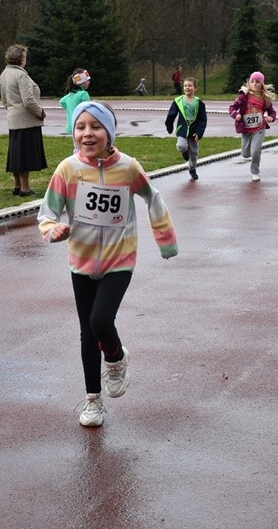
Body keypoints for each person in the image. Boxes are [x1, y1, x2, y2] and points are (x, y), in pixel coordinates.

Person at [37, 101, 178, 427]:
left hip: (119, 259)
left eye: (96, 127)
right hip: (81, 261)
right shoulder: (67, 170)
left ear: (110, 132)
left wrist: (166, 241)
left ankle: (115, 358)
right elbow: (47, 213)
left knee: (100, 320)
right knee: (87, 332)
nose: (87, 133)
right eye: (80, 127)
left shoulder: (128, 168)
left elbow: (153, 198)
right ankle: (93, 401)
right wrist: (52, 230)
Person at [0, 44, 47, 197]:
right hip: (26, 120)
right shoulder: (21, 75)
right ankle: (25, 188)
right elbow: (28, 100)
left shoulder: (4, 74)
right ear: (21, 59)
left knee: (16, 155)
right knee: (25, 156)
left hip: (13, 119)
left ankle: (17, 185)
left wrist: (12, 110)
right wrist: (40, 112)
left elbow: (4, 99)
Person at [228, 72, 277, 182]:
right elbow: (232, 108)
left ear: (262, 84)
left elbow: (272, 112)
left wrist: (271, 118)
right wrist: (236, 115)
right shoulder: (243, 96)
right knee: (245, 154)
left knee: (255, 151)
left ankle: (255, 172)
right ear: (249, 83)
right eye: (252, 81)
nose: (254, 84)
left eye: (257, 82)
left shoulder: (265, 99)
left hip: (260, 128)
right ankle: (251, 151)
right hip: (246, 129)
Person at [165, 76, 207, 180]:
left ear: (195, 88)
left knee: (194, 153)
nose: (187, 87)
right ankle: (184, 152)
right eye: (185, 86)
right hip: (182, 130)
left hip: (194, 132)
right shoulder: (178, 101)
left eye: (190, 86)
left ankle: (192, 169)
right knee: (181, 145)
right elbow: (171, 114)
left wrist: (199, 133)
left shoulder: (199, 103)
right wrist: (169, 126)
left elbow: (203, 119)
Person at [58, 68, 91, 135]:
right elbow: (88, 110)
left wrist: (70, 110)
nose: (89, 82)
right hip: (80, 127)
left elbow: (61, 101)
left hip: (69, 128)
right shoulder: (84, 94)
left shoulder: (68, 96)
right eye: (87, 80)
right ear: (81, 82)